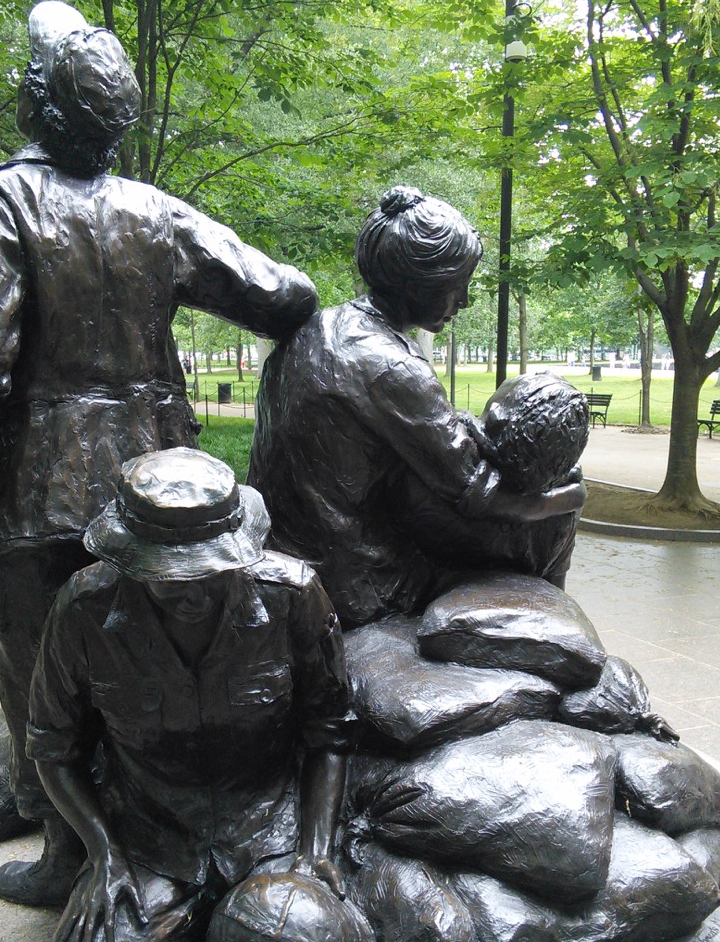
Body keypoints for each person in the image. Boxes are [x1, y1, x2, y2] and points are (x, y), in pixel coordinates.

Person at [0, 1, 318, 907]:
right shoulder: (156, 212)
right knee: (140, 659)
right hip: (158, 495)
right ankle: (138, 835)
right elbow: (286, 295)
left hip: (34, 490)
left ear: (33, 103)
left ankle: (67, 852)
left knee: (36, 672)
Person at [27, 447, 351, 942]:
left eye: (208, 571)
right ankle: (184, 941)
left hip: (269, 833)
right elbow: (52, 746)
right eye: (166, 574)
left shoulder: (293, 595)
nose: (191, 591)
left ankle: (205, 940)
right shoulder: (83, 610)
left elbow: (329, 732)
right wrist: (101, 851)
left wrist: (316, 851)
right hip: (149, 842)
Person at [248, 186, 586, 628]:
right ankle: (553, 627)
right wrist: (569, 498)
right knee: (554, 504)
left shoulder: (315, 329)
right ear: (419, 283)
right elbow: (482, 494)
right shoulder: (393, 367)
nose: (462, 302)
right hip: (354, 578)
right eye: (455, 287)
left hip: (285, 546)